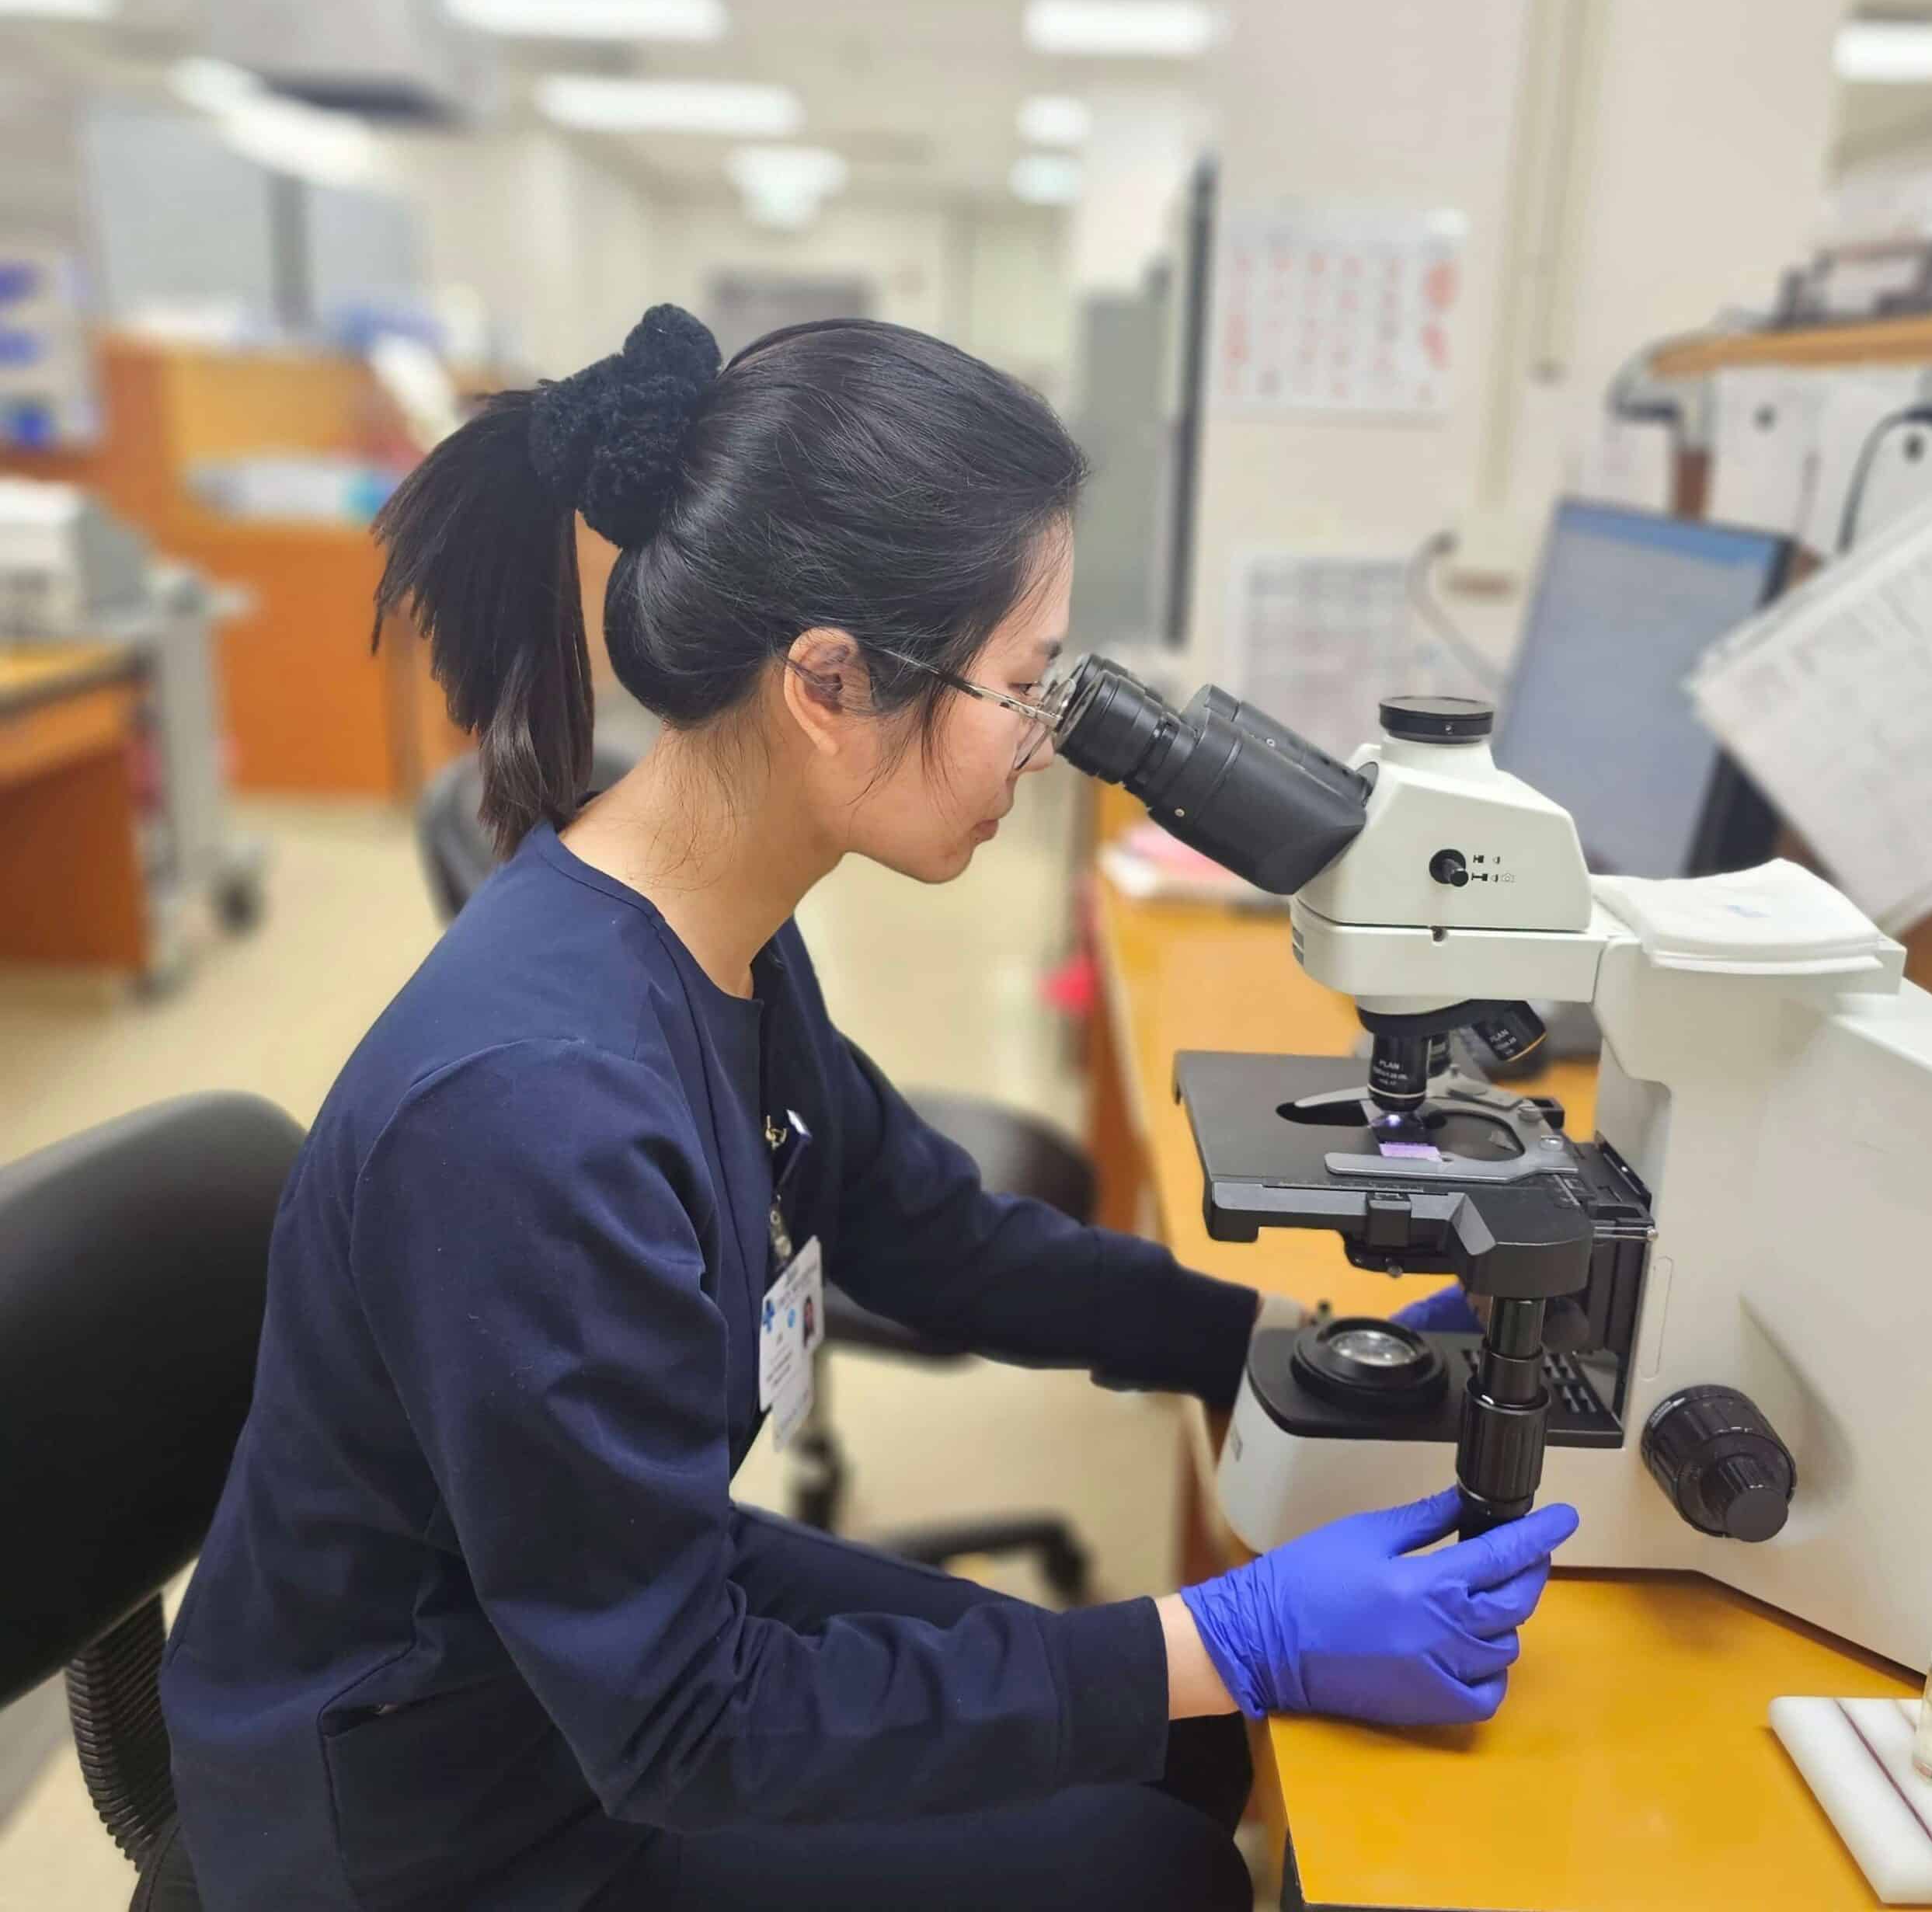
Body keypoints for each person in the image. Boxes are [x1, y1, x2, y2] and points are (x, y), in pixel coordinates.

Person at [162, 307, 1577, 1912]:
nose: (1047, 748)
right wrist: (1220, 1632)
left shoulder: (718, 930)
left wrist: (1265, 1343)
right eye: (1025, 686)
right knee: (1157, 1861)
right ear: (828, 679)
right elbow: (682, 1725)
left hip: (585, 1610)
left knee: (1173, 1747)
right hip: (443, 1807)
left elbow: (936, 1236)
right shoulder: (533, 1118)